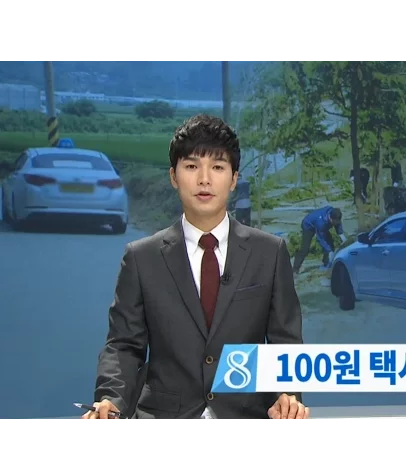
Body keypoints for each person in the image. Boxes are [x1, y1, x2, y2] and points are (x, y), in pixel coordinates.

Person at [84, 114, 308, 420]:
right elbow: (124, 346)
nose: (204, 179)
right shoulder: (141, 258)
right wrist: (111, 399)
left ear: (233, 179)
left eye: (217, 167)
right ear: (174, 177)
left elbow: (285, 343)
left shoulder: (269, 253)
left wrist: (287, 395)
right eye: (191, 167)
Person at [292, 206, 347, 274]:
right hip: (308, 226)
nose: (336, 224)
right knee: (305, 249)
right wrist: (329, 251)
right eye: (335, 222)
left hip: (322, 226)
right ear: (331, 218)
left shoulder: (335, 214)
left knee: (330, 244)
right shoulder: (321, 223)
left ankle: (327, 264)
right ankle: (295, 269)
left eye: (337, 222)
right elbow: (321, 239)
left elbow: (338, 225)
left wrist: (341, 235)